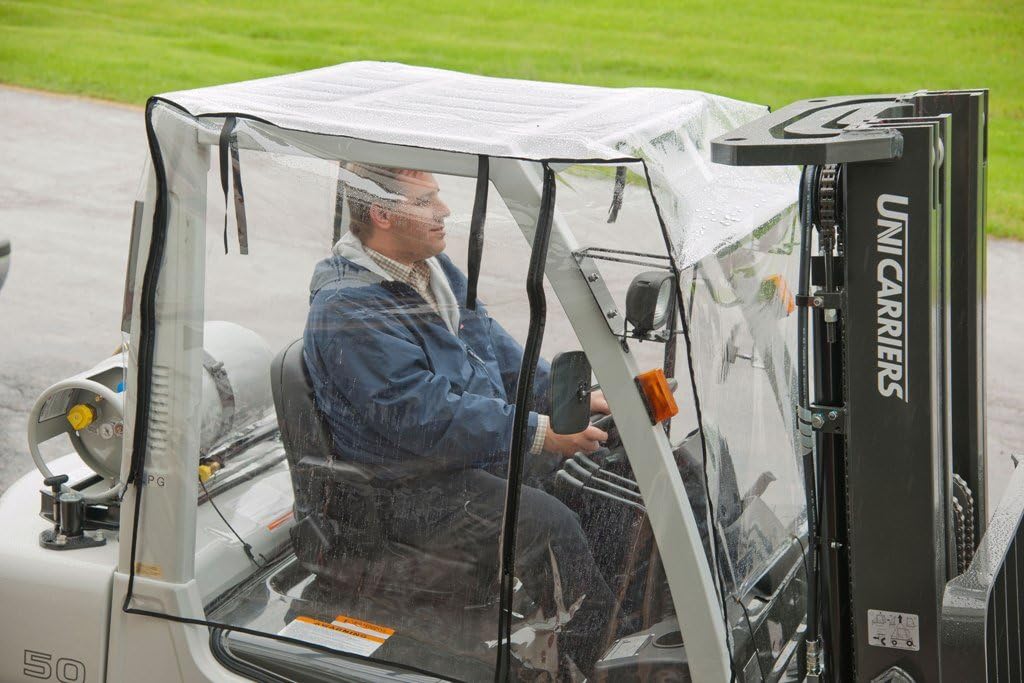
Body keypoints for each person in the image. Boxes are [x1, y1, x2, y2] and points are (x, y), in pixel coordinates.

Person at [302, 164, 616, 672]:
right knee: (546, 526)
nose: (444, 210)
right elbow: (424, 416)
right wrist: (539, 432)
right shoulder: (350, 309)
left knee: (611, 468)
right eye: (426, 201)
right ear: (382, 214)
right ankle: (595, 658)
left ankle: (644, 610)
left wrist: (573, 399)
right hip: (407, 488)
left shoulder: (431, 269)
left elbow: (491, 347)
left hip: (464, 457)